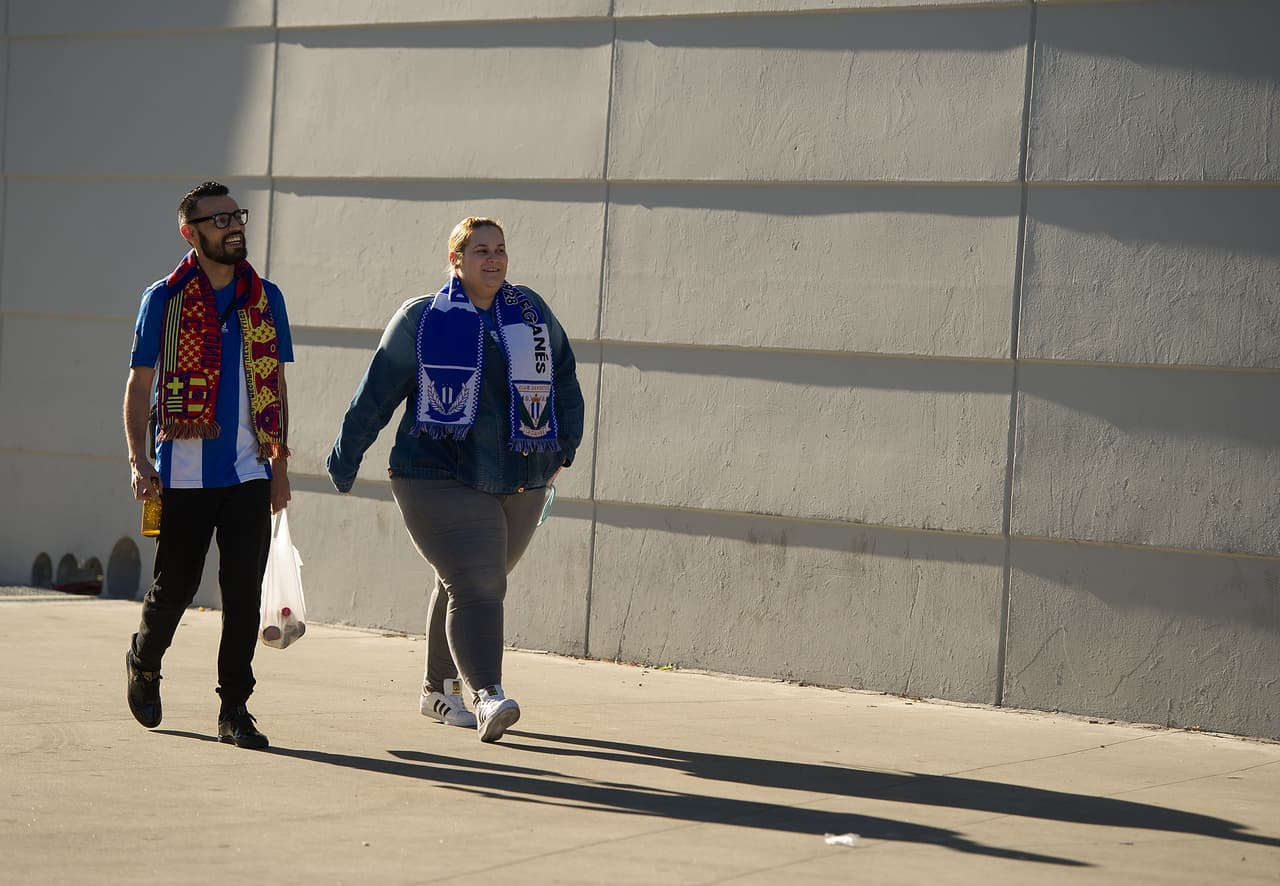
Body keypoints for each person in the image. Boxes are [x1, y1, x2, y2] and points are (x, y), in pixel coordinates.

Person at [326, 216, 584, 742]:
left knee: (469, 581)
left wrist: (566, 446)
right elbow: (376, 392)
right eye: (480, 250)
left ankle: (437, 691)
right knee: (479, 581)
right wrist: (345, 459)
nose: (494, 259)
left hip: (520, 475)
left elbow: (562, 375)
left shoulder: (530, 312)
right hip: (435, 472)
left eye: (500, 249)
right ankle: (488, 694)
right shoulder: (421, 318)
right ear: (455, 260)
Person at [122, 181, 293, 750]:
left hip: (250, 469)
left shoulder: (265, 298)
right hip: (184, 469)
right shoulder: (163, 299)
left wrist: (279, 467)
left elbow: (275, 385)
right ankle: (144, 660)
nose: (233, 225)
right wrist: (139, 459)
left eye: (235, 215)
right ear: (189, 233)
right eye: (218, 220)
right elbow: (140, 384)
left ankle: (234, 708)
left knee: (243, 594)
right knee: (175, 586)